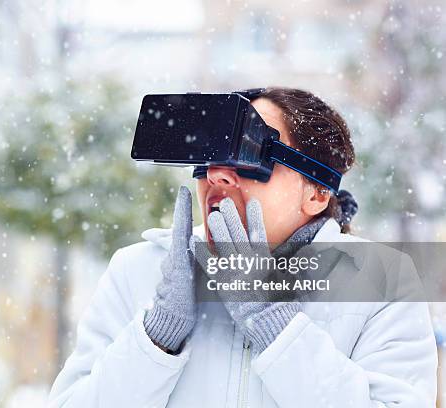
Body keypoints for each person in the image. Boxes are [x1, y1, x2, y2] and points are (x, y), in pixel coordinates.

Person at [47, 87, 437, 407]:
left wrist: (273, 324)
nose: (217, 174)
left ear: (318, 192)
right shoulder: (138, 271)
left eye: (251, 154)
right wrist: (157, 338)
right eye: (211, 156)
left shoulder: (384, 283)